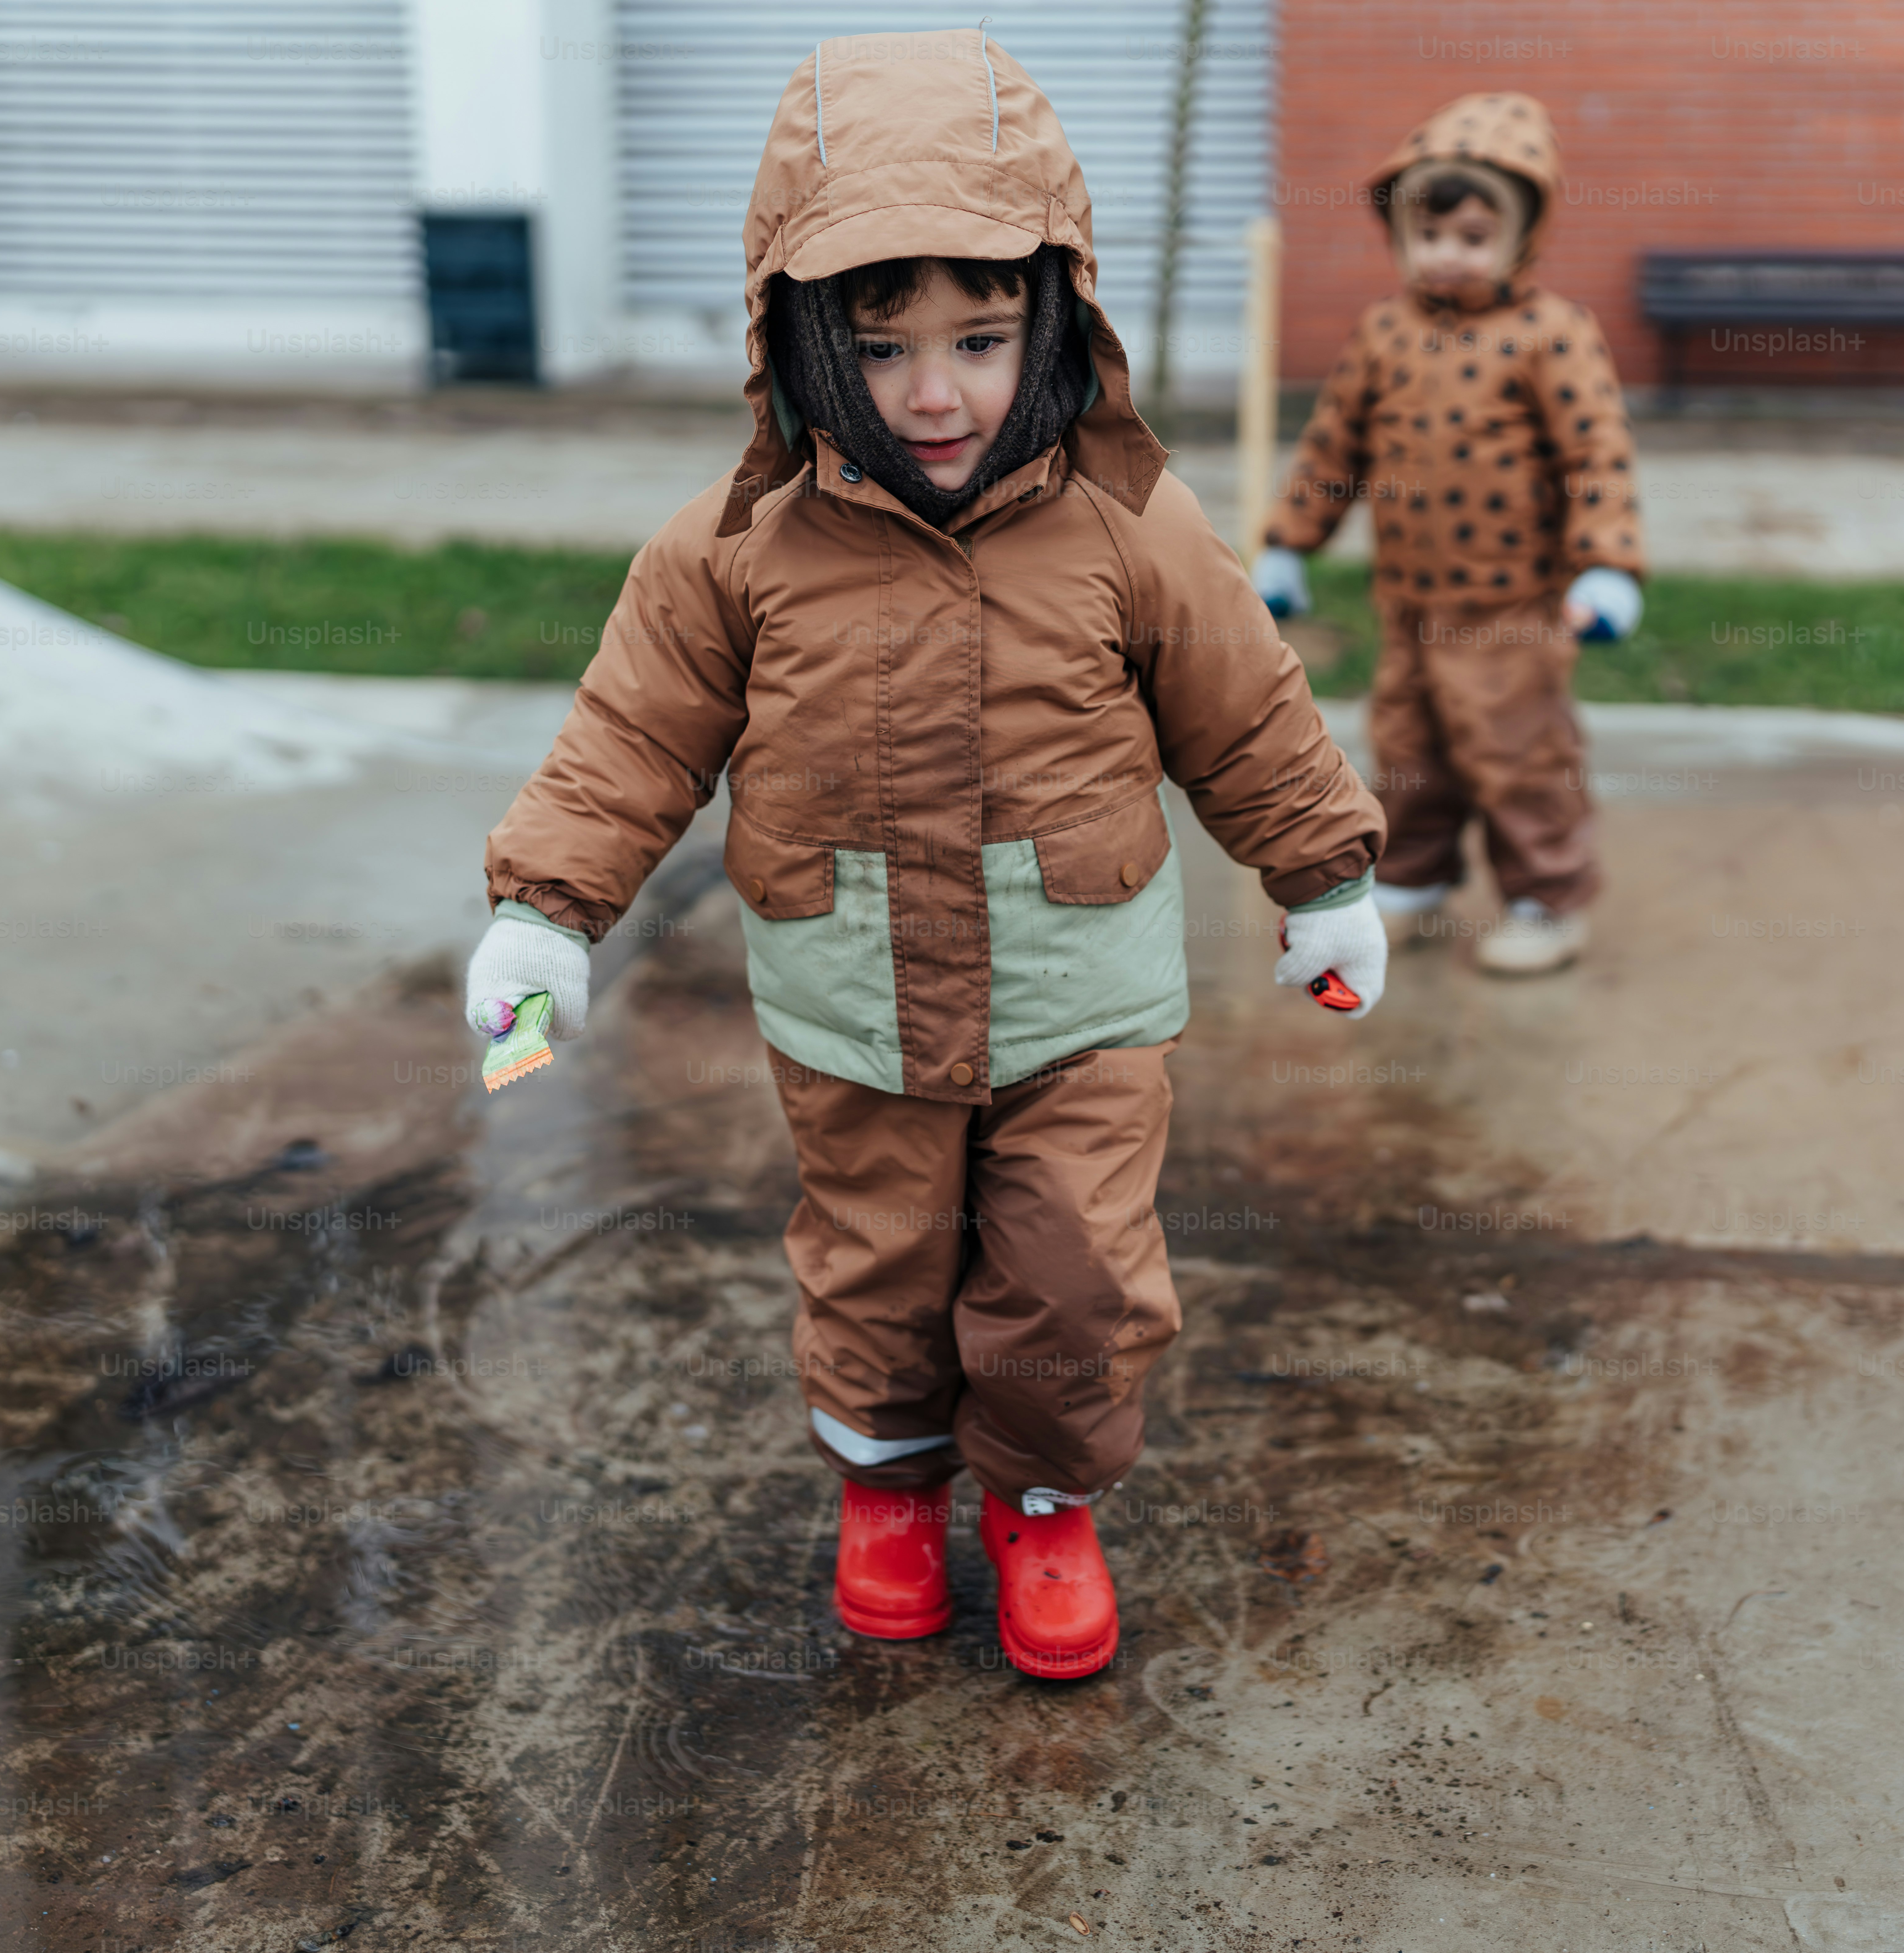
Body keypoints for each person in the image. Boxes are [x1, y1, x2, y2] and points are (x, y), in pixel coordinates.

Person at [460, 33, 1387, 1681]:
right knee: (878, 1269)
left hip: (1077, 998)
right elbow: (632, 740)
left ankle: (1041, 1501)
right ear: (801, 342)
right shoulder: (738, 547)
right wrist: (547, 914)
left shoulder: (1126, 525)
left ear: (1056, 316)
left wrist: (1322, 878)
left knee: (1074, 1276)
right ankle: (889, 1488)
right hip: (853, 1006)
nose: (937, 394)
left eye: (980, 335)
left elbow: (1244, 714)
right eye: (883, 349)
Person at [1252, 92, 1646, 976]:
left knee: (1520, 756)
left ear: (1522, 237)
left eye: (1472, 238)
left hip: (1513, 607)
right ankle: (1414, 885)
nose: (1446, 257)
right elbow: (1333, 448)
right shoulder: (1383, 334)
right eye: (1426, 237)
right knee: (1409, 749)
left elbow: (1598, 459)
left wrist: (1608, 565)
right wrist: (1290, 542)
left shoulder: (1551, 335)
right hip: (1412, 605)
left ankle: (1547, 897)